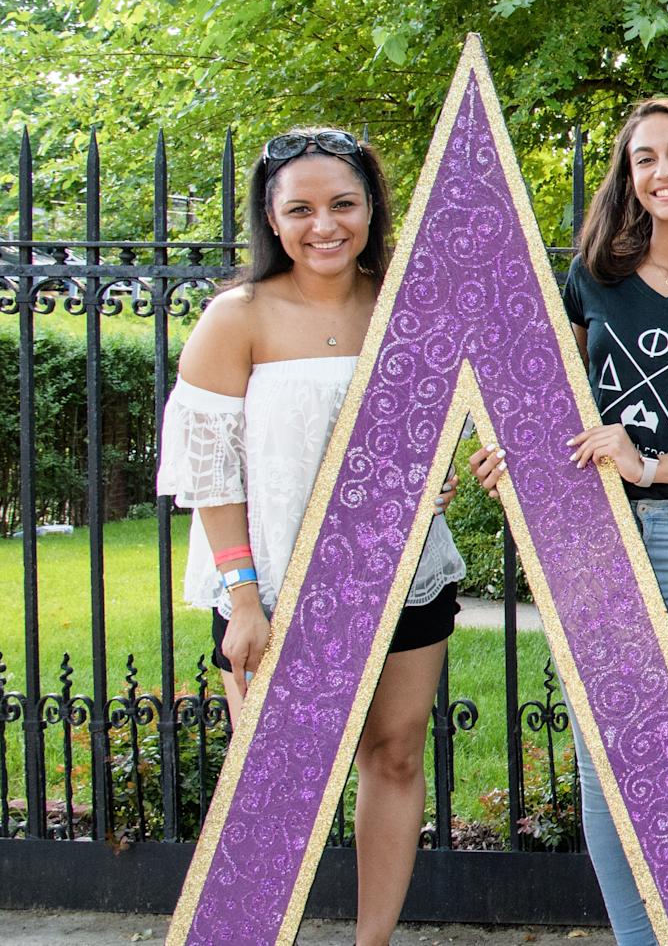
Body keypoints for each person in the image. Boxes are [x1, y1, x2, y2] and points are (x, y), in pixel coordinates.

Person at [467, 99, 668, 946]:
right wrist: (515, 459)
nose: (663, 171)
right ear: (630, 178)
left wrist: (650, 465)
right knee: (604, 753)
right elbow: (545, 408)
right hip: (591, 536)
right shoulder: (592, 278)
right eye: (644, 158)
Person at [158, 127, 466, 946]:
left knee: (395, 756)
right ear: (271, 217)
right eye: (300, 209)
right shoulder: (238, 317)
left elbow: (438, 430)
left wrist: (442, 472)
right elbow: (211, 479)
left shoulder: (407, 305)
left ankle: (372, 942)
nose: (324, 225)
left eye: (343, 204)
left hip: (408, 581)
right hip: (271, 592)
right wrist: (243, 602)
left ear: (371, 209)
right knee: (277, 784)